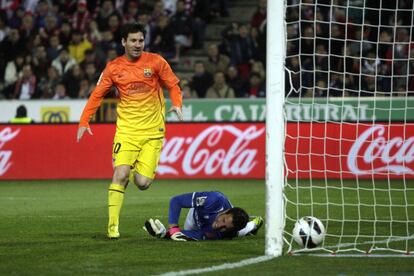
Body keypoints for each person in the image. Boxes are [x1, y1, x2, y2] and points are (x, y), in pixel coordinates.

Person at [76, 23, 183, 239]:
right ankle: (112, 227)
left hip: (153, 132)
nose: (137, 44)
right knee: (120, 174)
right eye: (133, 40)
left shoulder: (155, 61)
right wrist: (84, 121)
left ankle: (135, 167)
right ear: (123, 42)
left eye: (141, 40)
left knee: (143, 183)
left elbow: (172, 84)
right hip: (126, 131)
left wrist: (177, 102)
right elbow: (97, 94)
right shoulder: (114, 68)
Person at [144, 191, 263, 241]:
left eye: (224, 226)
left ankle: (252, 226)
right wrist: (173, 228)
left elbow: (191, 235)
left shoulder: (219, 233)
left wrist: (164, 234)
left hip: (216, 231)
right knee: (242, 230)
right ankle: (253, 224)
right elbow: (176, 201)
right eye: (223, 220)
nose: (219, 225)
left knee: (236, 234)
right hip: (196, 215)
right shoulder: (213, 200)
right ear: (224, 211)